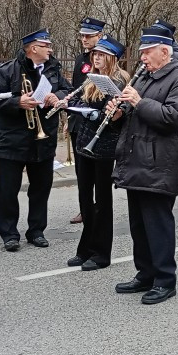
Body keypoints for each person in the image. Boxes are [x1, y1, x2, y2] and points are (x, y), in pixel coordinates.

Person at [112, 25, 178, 305]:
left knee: (157, 223)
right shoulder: (145, 77)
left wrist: (138, 101)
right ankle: (144, 273)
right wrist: (117, 112)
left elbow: (173, 118)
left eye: (147, 52)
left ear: (164, 51)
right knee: (138, 223)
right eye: (142, 52)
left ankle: (164, 280)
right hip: (136, 158)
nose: (143, 58)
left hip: (159, 162)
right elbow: (134, 113)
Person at [0, 29, 71, 251]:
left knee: (41, 189)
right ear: (33, 49)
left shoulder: (54, 70)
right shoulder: (7, 70)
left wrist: (59, 97)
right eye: (47, 46)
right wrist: (18, 102)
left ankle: (36, 231)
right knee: (8, 190)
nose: (51, 49)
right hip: (12, 140)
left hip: (43, 140)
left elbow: (67, 90)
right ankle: (9, 234)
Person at [68, 36, 128, 271]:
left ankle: (102, 252)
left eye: (101, 55)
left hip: (104, 147)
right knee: (85, 198)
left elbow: (117, 114)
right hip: (85, 143)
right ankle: (85, 248)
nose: (96, 57)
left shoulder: (119, 81)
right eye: (95, 54)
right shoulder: (91, 79)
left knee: (102, 201)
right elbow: (84, 103)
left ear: (111, 58)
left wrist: (103, 113)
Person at [68, 17, 106, 224]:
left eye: (89, 36)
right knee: (81, 171)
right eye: (82, 35)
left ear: (99, 36)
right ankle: (84, 208)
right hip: (79, 121)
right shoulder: (80, 60)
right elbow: (75, 90)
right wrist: (70, 118)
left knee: (98, 172)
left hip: (98, 120)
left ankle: (99, 207)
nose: (84, 39)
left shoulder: (105, 58)